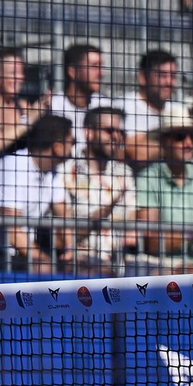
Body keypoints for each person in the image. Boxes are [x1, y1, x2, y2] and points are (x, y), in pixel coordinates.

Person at [134, 110, 193, 269]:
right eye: (180, 137)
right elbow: (151, 242)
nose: (189, 143)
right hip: (159, 266)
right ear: (164, 141)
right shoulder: (147, 178)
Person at [0, 114, 74, 272]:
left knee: (88, 269)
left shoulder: (51, 171)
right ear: (57, 147)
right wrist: (48, 263)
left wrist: (69, 250)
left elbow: (64, 216)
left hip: (21, 255)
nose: (73, 148)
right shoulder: (13, 167)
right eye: (72, 142)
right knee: (47, 272)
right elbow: (12, 231)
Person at [58, 106, 136, 268]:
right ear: (89, 133)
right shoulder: (65, 172)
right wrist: (103, 213)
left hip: (119, 261)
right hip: (78, 261)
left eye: (120, 132)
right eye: (109, 130)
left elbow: (132, 221)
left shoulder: (124, 173)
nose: (116, 137)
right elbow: (60, 234)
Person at [118, 48, 180, 165]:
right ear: (143, 77)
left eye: (173, 76)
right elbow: (136, 154)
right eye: (162, 75)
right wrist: (174, 144)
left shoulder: (177, 110)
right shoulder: (124, 107)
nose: (169, 82)